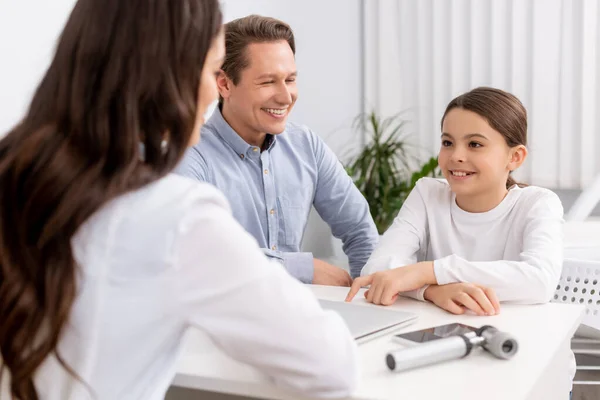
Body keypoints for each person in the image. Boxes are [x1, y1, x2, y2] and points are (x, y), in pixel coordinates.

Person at [0, 1, 358, 399]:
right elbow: (332, 363)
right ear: (171, 77)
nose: (210, 90)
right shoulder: (176, 213)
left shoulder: (16, 171)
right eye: (210, 70)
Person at [175, 15, 379, 285]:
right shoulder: (191, 156)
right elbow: (201, 253)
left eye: (290, 79)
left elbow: (360, 230)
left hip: (297, 315)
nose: (285, 97)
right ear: (224, 84)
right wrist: (304, 268)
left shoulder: (306, 146)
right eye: (268, 82)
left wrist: (370, 295)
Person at [346, 87, 564, 316]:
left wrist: (429, 272)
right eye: (448, 143)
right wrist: (431, 291)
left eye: (475, 144)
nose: (456, 156)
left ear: (515, 157)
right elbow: (377, 270)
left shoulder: (538, 203)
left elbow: (539, 281)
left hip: (517, 342)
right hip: (440, 340)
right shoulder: (427, 193)